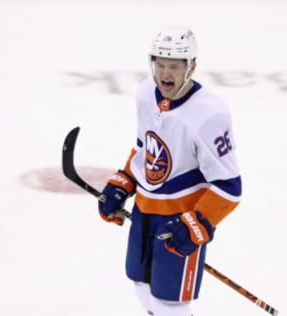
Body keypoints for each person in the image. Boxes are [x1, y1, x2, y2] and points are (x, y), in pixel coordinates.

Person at [98, 26, 242, 316]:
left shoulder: (209, 114)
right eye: (160, 64)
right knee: (141, 286)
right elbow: (145, 148)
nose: (165, 73)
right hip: (145, 210)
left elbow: (229, 186)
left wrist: (197, 222)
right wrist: (123, 182)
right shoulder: (144, 94)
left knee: (169, 304)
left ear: (192, 67)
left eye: (174, 66)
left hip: (180, 218)